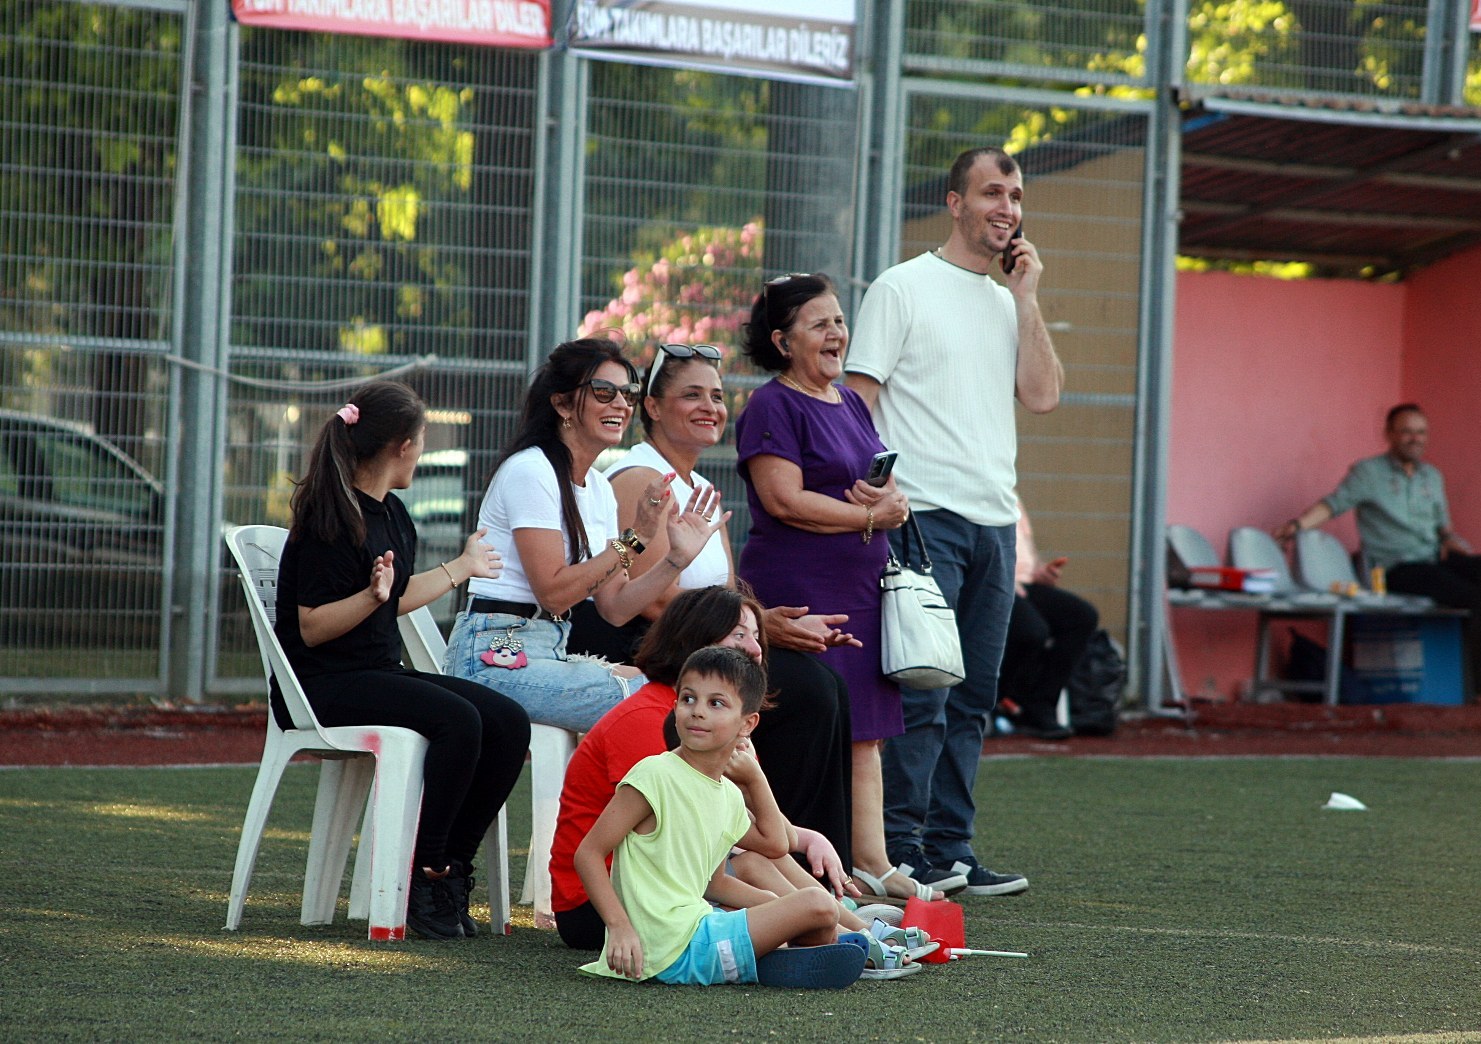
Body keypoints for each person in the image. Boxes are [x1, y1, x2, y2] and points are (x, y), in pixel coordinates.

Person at [845, 145, 1062, 896]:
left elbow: (1041, 396)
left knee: (973, 698)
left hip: (993, 525)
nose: (1007, 208)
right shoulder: (902, 287)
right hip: (921, 518)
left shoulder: (1009, 300)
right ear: (955, 203)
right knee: (924, 689)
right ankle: (901, 852)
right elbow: (856, 403)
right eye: (992, 193)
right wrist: (876, 498)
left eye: (1016, 195)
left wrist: (1027, 297)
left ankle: (952, 850)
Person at [565, 341, 856, 861]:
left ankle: (824, 860)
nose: (711, 407)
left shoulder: (698, 486)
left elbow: (727, 593)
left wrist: (768, 626)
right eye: (692, 395)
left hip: (701, 642)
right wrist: (748, 628)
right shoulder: (639, 477)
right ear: (652, 407)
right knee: (806, 691)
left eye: (718, 396)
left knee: (827, 681)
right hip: (652, 645)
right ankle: (779, 855)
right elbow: (654, 603)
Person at [273, 380, 531, 941]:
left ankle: (452, 868)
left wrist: (462, 566)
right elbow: (312, 628)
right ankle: (425, 873)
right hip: (323, 685)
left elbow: (396, 597)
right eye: (421, 439)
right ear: (404, 446)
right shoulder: (328, 517)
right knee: (457, 721)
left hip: (375, 673)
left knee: (507, 720)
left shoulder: (392, 512)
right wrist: (370, 597)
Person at [734, 273, 952, 906]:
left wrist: (894, 502)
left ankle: (873, 863)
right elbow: (783, 499)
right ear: (782, 341)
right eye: (819, 323)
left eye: (839, 321)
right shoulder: (773, 405)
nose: (837, 333)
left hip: (861, 583)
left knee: (868, 729)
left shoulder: (851, 402)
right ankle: (812, 865)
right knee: (823, 721)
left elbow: (873, 484)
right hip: (801, 585)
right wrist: (868, 517)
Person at [551, 586, 893, 951]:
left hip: (671, 887)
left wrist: (806, 840)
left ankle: (858, 932)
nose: (756, 648)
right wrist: (789, 899)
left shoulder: (717, 718)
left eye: (757, 637)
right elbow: (702, 837)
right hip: (606, 904)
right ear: (697, 642)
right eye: (740, 635)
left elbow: (748, 826)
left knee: (757, 857)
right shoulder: (655, 719)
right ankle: (849, 937)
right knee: (749, 860)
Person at [443, 337, 728, 732]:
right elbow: (554, 592)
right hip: (492, 656)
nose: (621, 406)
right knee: (663, 704)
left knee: (689, 693)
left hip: (550, 650)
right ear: (561, 404)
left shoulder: (596, 488)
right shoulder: (532, 470)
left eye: (627, 394)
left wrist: (675, 559)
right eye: (603, 392)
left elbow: (615, 606)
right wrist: (634, 539)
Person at [575, 646, 870, 988]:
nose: (697, 712)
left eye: (715, 703)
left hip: (698, 931)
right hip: (667, 947)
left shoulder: (727, 793)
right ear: (674, 706)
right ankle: (783, 960)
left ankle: (782, 961)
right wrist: (620, 927)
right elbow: (589, 853)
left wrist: (775, 907)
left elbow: (762, 852)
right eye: (688, 699)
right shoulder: (655, 774)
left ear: (748, 723)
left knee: (813, 910)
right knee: (818, 905)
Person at [1274, 402, 1481, 685]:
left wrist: (1450, 539)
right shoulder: (1368, 473)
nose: (1415, 439)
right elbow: (1333, 505)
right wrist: (1296, 526)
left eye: (1421, 432)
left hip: (1434, 558)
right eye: (1406, 432)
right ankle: (1476, 688)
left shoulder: (1432, 476)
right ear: (1389, 434)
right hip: (1396, 567)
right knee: (1472, 595)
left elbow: (1442, 526)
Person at [998, 497, 1098, 740]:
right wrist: (1005, 579)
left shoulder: (1012, 492)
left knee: (1082, 617)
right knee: (1032, 631)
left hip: (1026, 584)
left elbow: (1026, 549)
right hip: (996, 582)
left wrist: (1041, 571)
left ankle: (1040, 704)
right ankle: (998, 698)